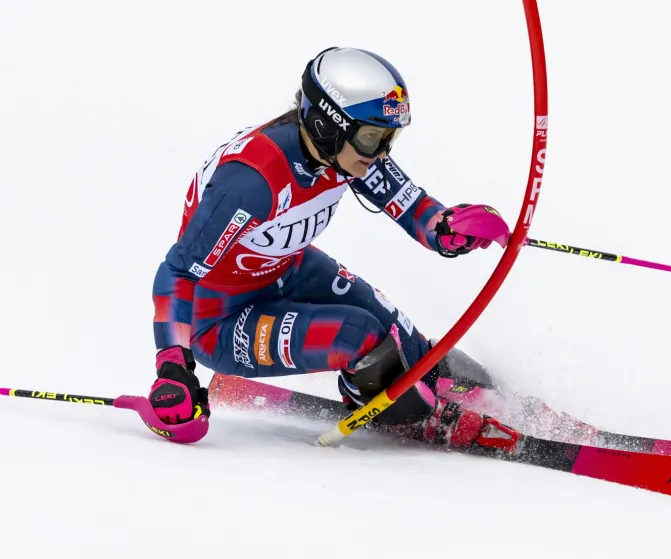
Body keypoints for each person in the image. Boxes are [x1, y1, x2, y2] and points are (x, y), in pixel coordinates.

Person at [149, 47, 521, 453]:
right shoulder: (251, 182)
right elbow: (179, 272)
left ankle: (473, 392)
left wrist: (448, 228)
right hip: (220, 320)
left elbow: (412, 207)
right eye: (372, 137)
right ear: (328, 124)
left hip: (285, 270)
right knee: (360, 336)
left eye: (388, 138)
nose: (381, 153)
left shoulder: (344, 153)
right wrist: (173, 367)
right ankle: (407, 411)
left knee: (402, 335)